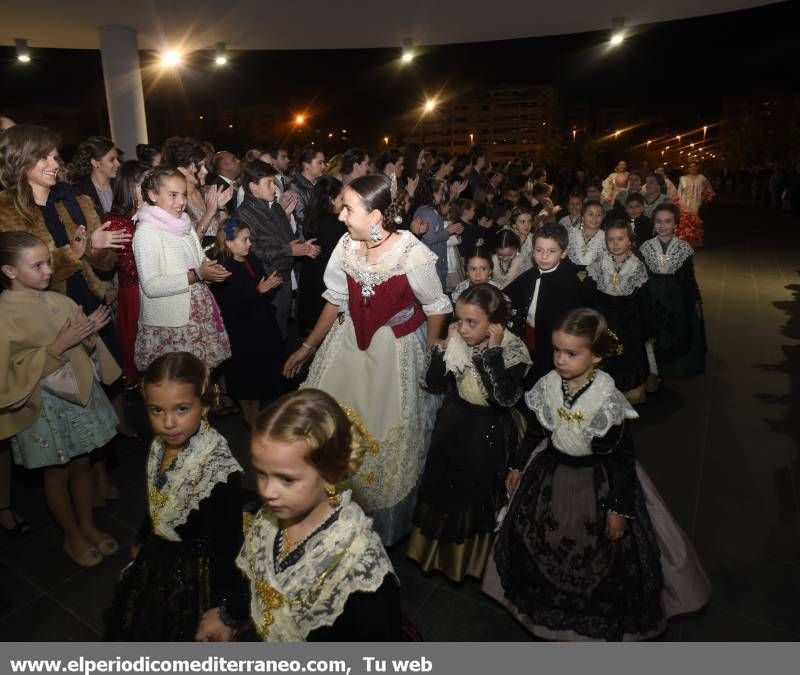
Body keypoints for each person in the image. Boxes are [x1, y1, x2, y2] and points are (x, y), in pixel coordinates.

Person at [483, 308, 711, 640]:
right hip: (551, 472)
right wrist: (518, 464)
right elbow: (535, 430)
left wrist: (618, 509)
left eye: (572, 353)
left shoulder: (605, 400)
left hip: (595, 481)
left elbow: (622, 460)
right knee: (539, 541)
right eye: (557, 350)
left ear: (597, 356)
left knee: (598, 558)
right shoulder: (550, 383)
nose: (560, 360)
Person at [283, 175, 451, 546]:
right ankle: (326, 506)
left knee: (381, 427)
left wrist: (435, 349)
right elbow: (335, 299)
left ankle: (367, 521)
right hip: (347, 345)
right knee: (330, 425)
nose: (341, 216)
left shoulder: (411, 251)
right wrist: (308, 347)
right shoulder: (346, 244)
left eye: (348, 209)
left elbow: (436, 305)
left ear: (375, 215)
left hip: (393, 351)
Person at [196, 388, 401, 641]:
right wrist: (228, 614)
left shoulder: (360, 566)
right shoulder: (269, 521)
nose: (268, 492)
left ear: (330, 474)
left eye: (286, 479)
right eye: (261, 473)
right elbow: (258, 584)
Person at [0, 231, 121, 567]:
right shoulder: (4, 314)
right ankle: (71, 534)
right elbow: (8, 373)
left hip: (77, 398)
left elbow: (84, 350)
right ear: (10, 271)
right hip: (43, 409)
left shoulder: (59, 300)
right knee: (56, 473)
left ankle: (87, 525)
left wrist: (88, 334)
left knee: (82, 464)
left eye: (47, 262)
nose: (48, 271)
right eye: (36, 265)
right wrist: (57, 345)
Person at [104, 352, 243, 640]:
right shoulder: (160, 444)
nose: (168, 422)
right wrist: (144, 535)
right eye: (156, 410)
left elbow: (227, 543)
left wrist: (225, 605)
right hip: (160, 554)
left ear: (204, 405)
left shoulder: (218, 470)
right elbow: (159, 497)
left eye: (181, 409)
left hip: (196, 568)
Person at [407, 284, 531, 582]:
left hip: (489, 427)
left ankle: (471, 562)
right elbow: (435, 381)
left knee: (474, 491)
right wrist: (444, 348)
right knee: (443, 484)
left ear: (496, 325)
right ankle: (436, 554)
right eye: (459, 319)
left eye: (471, 322)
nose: (461, 328)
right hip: (456, 419)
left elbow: (503, 398)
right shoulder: (458, 338)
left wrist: (493, 353)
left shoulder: (514, 350)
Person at [133, 167, 231, 372]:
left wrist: (211, 272)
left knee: (199, 381)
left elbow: (200, 261)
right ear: (153, 195)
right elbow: (151, 286)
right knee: (177, 381)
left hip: (196, 314)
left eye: (183, 195)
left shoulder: (184, 226)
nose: (181, 202)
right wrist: (197, 275)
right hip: (172, 323)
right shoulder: (147, 232)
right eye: (172, 195)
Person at [211, 220, 285, 426]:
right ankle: (248, 415)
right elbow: (230, 305)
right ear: (229, 243)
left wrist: (269, 286)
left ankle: (256, 411)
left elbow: (261, 289)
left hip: (261, 325)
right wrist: (259, 291)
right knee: (245, 376)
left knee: (260, 374)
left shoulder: (251, 259)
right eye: (244, 239)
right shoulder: (222, 268)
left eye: (249, 238)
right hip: (241, 332)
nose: (249, 243)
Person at [237, 160, 319, 338]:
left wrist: (303, 247)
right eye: (269, 183)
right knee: (269, 332)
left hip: (283, 276)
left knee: (281, 327)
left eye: (274, 183)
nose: (274, 188)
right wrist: (289, 250)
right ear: (253, 187)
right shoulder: (244, 213)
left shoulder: (274, 206)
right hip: (267, 280)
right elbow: (253, 251)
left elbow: (288, 238)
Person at [504, 224, 589, 386]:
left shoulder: (570, 281)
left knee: (547, 376)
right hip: (528, 333)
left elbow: (578, 315)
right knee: (528, 371)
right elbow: (508, 294)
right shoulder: (532, 273)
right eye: (539, 250)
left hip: (553, 340)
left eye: (551, 251)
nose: (543, 257)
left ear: (563, 253)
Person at [639, 203, 706, 377]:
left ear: (676, 224)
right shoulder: (645, 247)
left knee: (677, 332)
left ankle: (675, 364)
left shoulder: (683, 248)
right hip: (652, 297)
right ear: (653, 224)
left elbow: (689, 278)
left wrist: (695, 300)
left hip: (676, 298)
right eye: (658, 221)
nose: (662, 226)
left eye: (667, 221)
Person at [587, 220, 650, 404]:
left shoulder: (637, 266)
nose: (615, 244)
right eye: (611, 239)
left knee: (626, 353)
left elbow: (643, 300)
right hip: (603, 314)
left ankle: (627, 388)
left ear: (630, 240)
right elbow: (590, 293)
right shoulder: (599, 263)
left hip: (628, 318)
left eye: (620, 239)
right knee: (603, 350)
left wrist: (645, 327)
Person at [105, 160, 149, 386]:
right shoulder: (115, 220)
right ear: (131, 186)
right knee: (143, 355)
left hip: (155, 290)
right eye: (146, 182)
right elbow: (131, 267)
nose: (152, 187)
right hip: (135, 294)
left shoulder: (154, 214)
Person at [298, 176, 346, 334]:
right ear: (332, 200)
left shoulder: (313, 218)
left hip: (312, 283)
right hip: (327, 285)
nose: (344, 202)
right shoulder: (335, 224)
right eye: (342, 198)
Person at [165, 139, 232, 248]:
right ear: (182, 170)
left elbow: (230, 232)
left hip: (222, 258)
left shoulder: (208, 191)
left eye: (205, 165)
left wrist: (221, 208)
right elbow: (190, 245)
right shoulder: (176, 204)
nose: (205, 171)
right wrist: (209, 213)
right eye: (200, 166)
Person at [416, 178, 461, 288]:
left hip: (436, 258)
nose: (442, 197)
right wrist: (448, 231)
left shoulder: (430, 210)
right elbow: (429, 238)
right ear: (431, 194)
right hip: (431, 260)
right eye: (440, 194)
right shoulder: (426, 212)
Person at [68, 136, 121, 218]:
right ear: (95, 163)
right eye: (111, 159)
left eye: (117, 159)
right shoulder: (78, 191)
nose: (118, 164)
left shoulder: (122, 185)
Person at [676, 161, 714, 248]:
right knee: (685, 224)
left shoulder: (702, 178)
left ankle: (693, 242)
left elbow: (708, 188)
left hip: (696, 204)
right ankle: (684, 242)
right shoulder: (683, 178)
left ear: (697, 167)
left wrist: (706, 197)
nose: (692, 168)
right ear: (687, 168)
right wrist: (679, 203)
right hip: (685, 203)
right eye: (690, 167)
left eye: (694, 166)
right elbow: (679, 191)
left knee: (694, 224)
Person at [289, 147, 326, 229]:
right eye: (320, 163)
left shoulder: (323, 183)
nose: (324, 166)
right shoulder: (294, 187)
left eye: (324, 162)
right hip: (305, 238)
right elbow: (301, 219)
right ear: (306, 165)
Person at [566, 200, 606, 271]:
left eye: (599, 215)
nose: (595, 218)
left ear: (603, 217)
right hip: (570, 273)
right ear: (582, 216)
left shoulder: (606, 237)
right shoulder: (571, 233)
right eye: (591, 214)